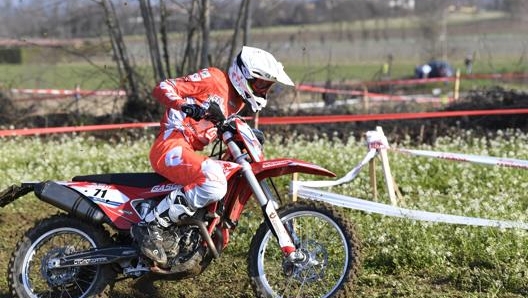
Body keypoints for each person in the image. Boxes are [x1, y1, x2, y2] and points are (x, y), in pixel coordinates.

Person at [131, 46, 295, 266]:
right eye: (260, 84)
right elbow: (163, 86)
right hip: (169, 146)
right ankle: (150, 226)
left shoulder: (236, 104)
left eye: (267, 87)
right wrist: (186, 105)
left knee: (222, 179)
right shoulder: (214, 78)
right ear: (243, 75)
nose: (263, 91)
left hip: (186, 152)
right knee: (214, 182)